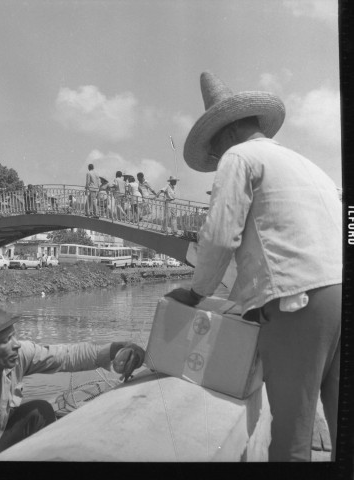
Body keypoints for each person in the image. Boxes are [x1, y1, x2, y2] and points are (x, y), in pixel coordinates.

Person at [165, 71, 342, 462]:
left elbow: (219, 234)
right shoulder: (309, 165)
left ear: (224, 135)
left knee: (291, 440)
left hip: (297, 301)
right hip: (341, 291)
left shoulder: (239, 157)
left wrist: (197, 293)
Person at [0, 303, 145, 460]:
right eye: (6, 340)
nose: (16, 343)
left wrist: (116, 350)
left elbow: (66, 356)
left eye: (14, 335)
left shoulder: (16, 356)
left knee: (40, 411)